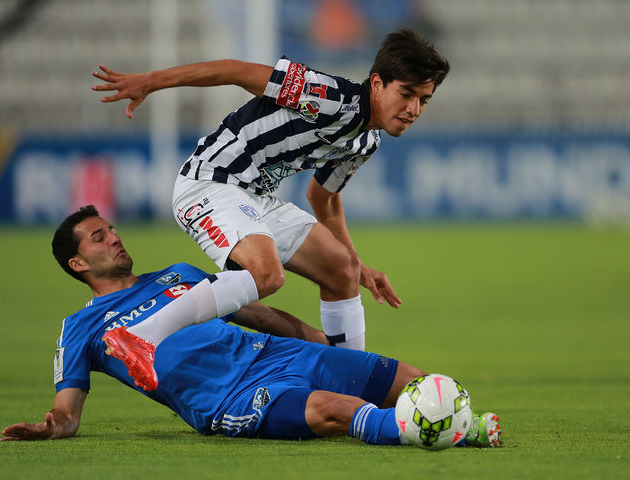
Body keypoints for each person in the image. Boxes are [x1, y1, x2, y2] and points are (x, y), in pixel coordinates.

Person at [0, 206, 501, 447]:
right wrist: (51, 426)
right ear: (77, 265)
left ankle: (460, 421)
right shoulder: (79, 328)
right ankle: (440, 434)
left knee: (405, 378)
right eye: (97, 238)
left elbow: (261, 315)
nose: (114, 239)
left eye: (111, 230)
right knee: (334, 410)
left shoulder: (180, 275)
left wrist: (323, 347)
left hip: (274, 354)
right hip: (228, 398)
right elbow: (68, 411)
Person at [90, 29, 450, 352]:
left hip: (257, 198)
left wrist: (358, 264)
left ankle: (355, 379)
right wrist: (152, 81)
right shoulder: (328, 96)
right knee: (267, 274)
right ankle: (138, 335)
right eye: (406, 94)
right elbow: (237, 71)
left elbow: (322, 197)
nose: (413, 109)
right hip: (209, 182)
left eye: (424, 99)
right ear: (376, 83)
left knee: (342, 269)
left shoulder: (365, 142)